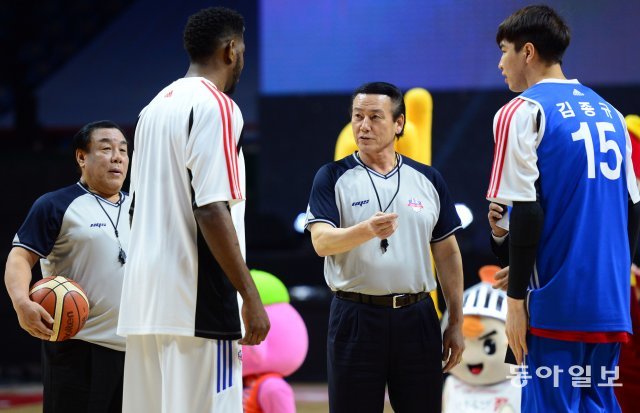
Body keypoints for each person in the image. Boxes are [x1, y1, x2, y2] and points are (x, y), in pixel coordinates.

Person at [487, 5, 640, 412]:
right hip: (609, 305)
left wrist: (517, 301)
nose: (500, 63)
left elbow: (527, 210)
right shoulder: (611, 113)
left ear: (528, 52)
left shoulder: (520, 111)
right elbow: (633, 211)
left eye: (504, 51)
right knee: (598, 402)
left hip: (554, 304)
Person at [116, 7, 269, 413]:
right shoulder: (216, 106)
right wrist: (249, 296)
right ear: (231, 49)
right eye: (243, 50)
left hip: (145, 302)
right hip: (198, 303)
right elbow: (211, 209)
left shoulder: (151, 109)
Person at [305, 81, 465, 413]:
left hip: (417, 316)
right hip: (355, 317)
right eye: (357, 116)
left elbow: (447, 252)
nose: (363, 126)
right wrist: (366, 230)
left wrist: (456, 322)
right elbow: (321, 242)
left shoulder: (428, 179)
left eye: (375, 117)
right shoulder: (332, 176)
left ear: (399, 124)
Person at [4, 120, 130, 413]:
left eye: (123, 150)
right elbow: (21, 257)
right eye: (106, 148)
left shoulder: (142, 205)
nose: (117, 157)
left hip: (136, 350)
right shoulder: (55, 204)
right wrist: (21, 302)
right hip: (77, 348)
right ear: (81, 157)